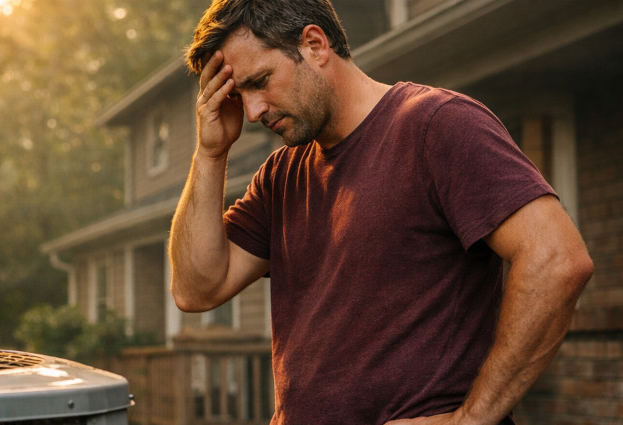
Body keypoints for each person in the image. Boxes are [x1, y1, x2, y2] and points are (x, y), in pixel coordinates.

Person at [167, 0, 594, 424]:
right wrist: (210, 152)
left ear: (315, 45)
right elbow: (196, 289)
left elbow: (556, 259)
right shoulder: (281, 176)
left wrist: (473, 418)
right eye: (240, 95)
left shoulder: (436, 124)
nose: (254, 111)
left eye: (260, 81)